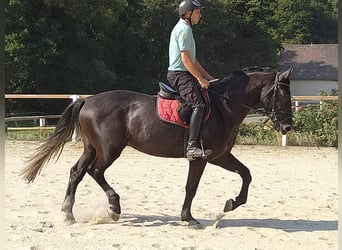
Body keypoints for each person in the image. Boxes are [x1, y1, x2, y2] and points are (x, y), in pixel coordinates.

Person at [167, 0, 214, 161]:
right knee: (199, 104)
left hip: (184, 73)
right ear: (188, 14)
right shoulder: (184, 30)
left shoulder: (186, 28)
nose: (200, 15)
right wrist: (200, 79)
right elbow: (185, 60)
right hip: (180, 74)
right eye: (197, 12)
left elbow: (193, 60)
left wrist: (206, 75)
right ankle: (192, 146)